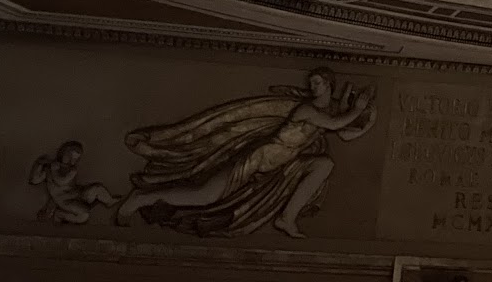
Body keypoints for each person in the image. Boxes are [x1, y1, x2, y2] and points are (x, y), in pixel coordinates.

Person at [114, 69, 376, 238]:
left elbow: (344, 133)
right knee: (204, 196)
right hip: (256, 161)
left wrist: (368, 124)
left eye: (317, 82)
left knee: (324, 164)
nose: (312, 86)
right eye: (311, 82)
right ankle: (140, 198)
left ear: (329, 84)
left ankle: (287, 218)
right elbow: (335, 124)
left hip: (281, 167)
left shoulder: (326, 112)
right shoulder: (307, 110)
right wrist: (356, 109)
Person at [28, 140, 117, 224]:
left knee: (97, 188)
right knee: (84, 215)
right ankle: (61, 215)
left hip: (77, 193)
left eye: (75, 159)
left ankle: (109, 201)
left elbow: (61, 181)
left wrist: (54, 170)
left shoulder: (72, 170)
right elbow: (34, 180)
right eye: (69, 157)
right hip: (65, 200)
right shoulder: (49, 170)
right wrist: (39, 164)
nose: (71, 162)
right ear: (63, 153)